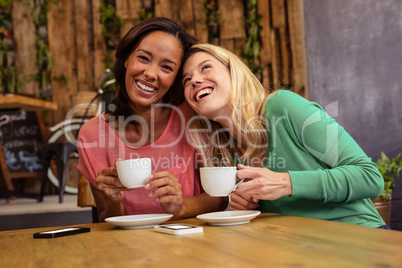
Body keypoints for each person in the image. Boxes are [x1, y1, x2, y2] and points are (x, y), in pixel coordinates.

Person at [182, 43, 388, 229]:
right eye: (187, 80)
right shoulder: (225, 150)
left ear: (233, 72)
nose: (195, 80)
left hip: (358, 237)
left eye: (205, 67)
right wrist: (245, 205)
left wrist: (286, 183)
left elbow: (370, 177)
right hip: (297, 249)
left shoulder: (283, 106)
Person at [77, 18, 227, 222]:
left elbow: (219, 199)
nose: (150, 74)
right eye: (144, 58)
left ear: (176, 78)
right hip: (130, 249)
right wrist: (113, 201)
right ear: (127, 58)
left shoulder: (192, 118)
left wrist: (181, 205)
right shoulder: (92, 135)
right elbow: (105, 219)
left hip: (189, 245)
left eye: (166, 67)